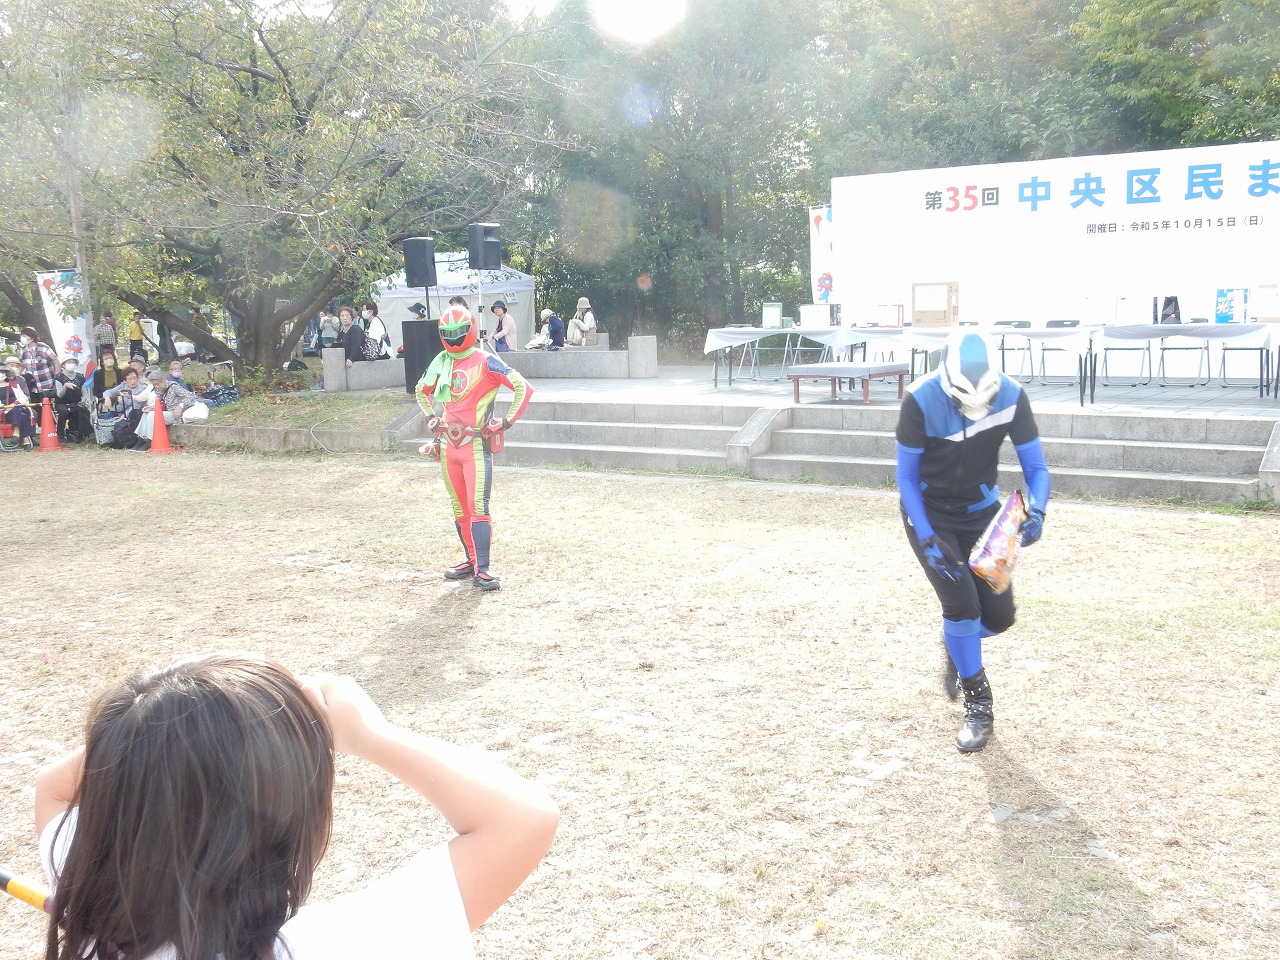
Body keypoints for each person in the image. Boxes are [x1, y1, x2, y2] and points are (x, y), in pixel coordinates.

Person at [34, 652, 558, 960]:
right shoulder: (328, 947)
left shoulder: (88, 889)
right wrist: (371, 735)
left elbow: (53, 787)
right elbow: (522, 819)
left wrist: (159, 720)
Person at [895, 330, 1050, 753]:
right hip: (930, 514)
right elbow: (906, 476)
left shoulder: (1012, 396)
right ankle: (978, 706)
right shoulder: (920, 399)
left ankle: (956, 643)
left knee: (999, 618)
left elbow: (1036, 468)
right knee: (961, 606)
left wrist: (1037, 510)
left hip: (984, 514)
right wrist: (927, 537)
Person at [417, 306, 532, 591]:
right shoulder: (442, 361)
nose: (453, 338)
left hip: (475, 447)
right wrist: (431, 417)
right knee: (460, 507)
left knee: (478, 507)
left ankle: (483, 568)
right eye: (447, 333)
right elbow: (421, 390)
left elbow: (522, 387)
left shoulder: (486, 361)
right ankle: (472, 561)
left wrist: (505, 422)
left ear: (469, 330)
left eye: (458, 332)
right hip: (448, 446)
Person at [18, 326, 60, 408]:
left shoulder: (43, 347)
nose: (22, 338)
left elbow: (56, 361)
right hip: (32, 385)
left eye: (25, 336)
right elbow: (21, 365)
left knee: (47, 406)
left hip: (45, 383)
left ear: (32, 337)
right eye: (22, 335)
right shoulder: (23, 350)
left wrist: (57, 376)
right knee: (35, 406)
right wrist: (18, 376)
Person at [54, 357, 92, 442]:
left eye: (73, 362)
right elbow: (59, 395)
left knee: (77, 409)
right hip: (61, 403)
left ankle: (73, 432)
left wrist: (82, 402)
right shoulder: (59, 377)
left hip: (76, 402)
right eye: (69, 362)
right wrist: (65, 386)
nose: (71, 364)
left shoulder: (80, 377)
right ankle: (60, 434)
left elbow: (84, 393)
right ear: (63, 365)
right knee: (64, 411)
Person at [0, 364, 37, 450]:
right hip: (4, 411)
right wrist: (6, 407)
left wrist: (14, 404)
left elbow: (23, 398)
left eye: (2, 372)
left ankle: (16, 435)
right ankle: (25, 439)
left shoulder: (14, 385)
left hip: (18, 407)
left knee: (18, 410)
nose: (1, 374)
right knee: (22, 415)